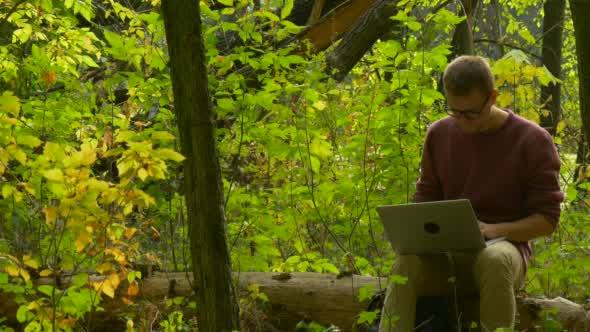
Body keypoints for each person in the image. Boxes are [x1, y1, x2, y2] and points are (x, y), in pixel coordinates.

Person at [378, 55, 564, 332]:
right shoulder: (439, 134)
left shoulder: (532, 140)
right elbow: (425, 199)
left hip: (505, 249)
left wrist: (492, 230)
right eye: (455, 112)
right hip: (447, 254)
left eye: (471, 113)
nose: (462, 121)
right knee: (406, 264)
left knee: (495, 259)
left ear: (493, 97)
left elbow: (547, 221)